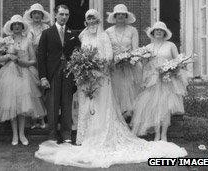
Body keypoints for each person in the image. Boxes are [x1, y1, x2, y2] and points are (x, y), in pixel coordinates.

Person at [35, 9, 187, 168]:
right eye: (89, 20)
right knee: (86, 106)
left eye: (95, 20)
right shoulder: (81, 36)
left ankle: (101, 135)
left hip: (101, 77)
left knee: (101, 107)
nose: (92, 22)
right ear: (86, 22)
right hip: (85, 78)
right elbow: (76, 54)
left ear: (98, 21)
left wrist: (96, 66)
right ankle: (84, 137)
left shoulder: (104, 36)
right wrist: (84, 67)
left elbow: (108, 56)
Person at [131, 21, 191, 141]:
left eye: (161, 30)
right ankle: (156, 133)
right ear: (153, 33)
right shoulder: (148, 48)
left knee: (165, 107)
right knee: (154, 107)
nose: (158, 32)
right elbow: (144, 66)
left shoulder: (170, 45)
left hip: (167, 80)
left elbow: (178, 62)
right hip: (153, 80)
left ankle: (163, 134)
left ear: (164, 33)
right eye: (156, 30)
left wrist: (170, 70)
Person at [0, 15, 46, 146]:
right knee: (12, 104)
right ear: (11, 27)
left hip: (24, 74)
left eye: (19, 24)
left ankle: (22, 134)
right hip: (9, 74)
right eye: (14, 24)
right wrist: (8, 56)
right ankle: (15, 135)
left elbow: (34, 60)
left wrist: (23, 62)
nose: (16, 26)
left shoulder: (27, 40)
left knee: (22, 106)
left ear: (22, 27)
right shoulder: (5, 40)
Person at [37, 4, 80, 143]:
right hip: (53, 72)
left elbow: (77, 54)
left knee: (67, 102)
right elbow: (41, 56)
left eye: (66, 15)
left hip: (68, 72)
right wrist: (43, 76)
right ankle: (52, 134)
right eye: (61, 14)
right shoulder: (47, 33)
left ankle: (66, 133)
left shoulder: (72, 34)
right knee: (53, 103)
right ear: (55, 14)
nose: (64, 17)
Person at [105, 4, 142, 118]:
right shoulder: (108, 31)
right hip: (114, 66)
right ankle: (117, 117)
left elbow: (135, 49)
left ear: (126, 16)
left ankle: (129, 117)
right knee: (116, 90)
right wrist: (114, 60)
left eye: (123, 14)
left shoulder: (132, 30)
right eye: (118, 14)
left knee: (128, 90)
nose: (120, 16)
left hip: (129, 65)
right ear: (114, 16)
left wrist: (128, 58)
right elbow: (107, 49)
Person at [23, 3, 50, 129]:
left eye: (39, 13)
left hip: (44, 60)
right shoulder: (27, 28)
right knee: (33, 90)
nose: (37, 15)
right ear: (31, 15)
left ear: (42, 15)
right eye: (34, 13)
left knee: (44, 89)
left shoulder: (47, 27)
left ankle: (44, 118)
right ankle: (35, 119)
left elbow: (50, 43)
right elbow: (25, 44)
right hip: (32, 61)